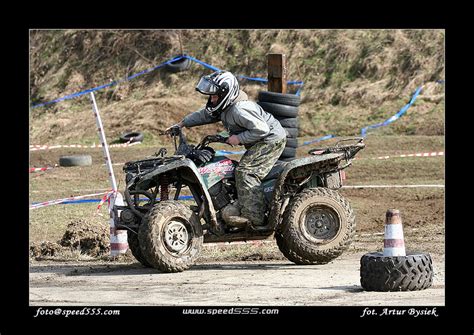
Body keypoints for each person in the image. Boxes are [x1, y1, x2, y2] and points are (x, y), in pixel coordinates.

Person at [167, 70, 286, 230]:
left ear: (225, 94)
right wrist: (182, 123)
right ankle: (235, 202)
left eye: (215, 96)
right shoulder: (224, 106)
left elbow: (262, 129)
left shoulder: (239, 110)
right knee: (234, 169)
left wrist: (239, 139)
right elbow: (205, 115)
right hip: (259, 138)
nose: (212, 99)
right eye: (211, 96)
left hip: (270, 139)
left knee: (245, 172)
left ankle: (254, 217)